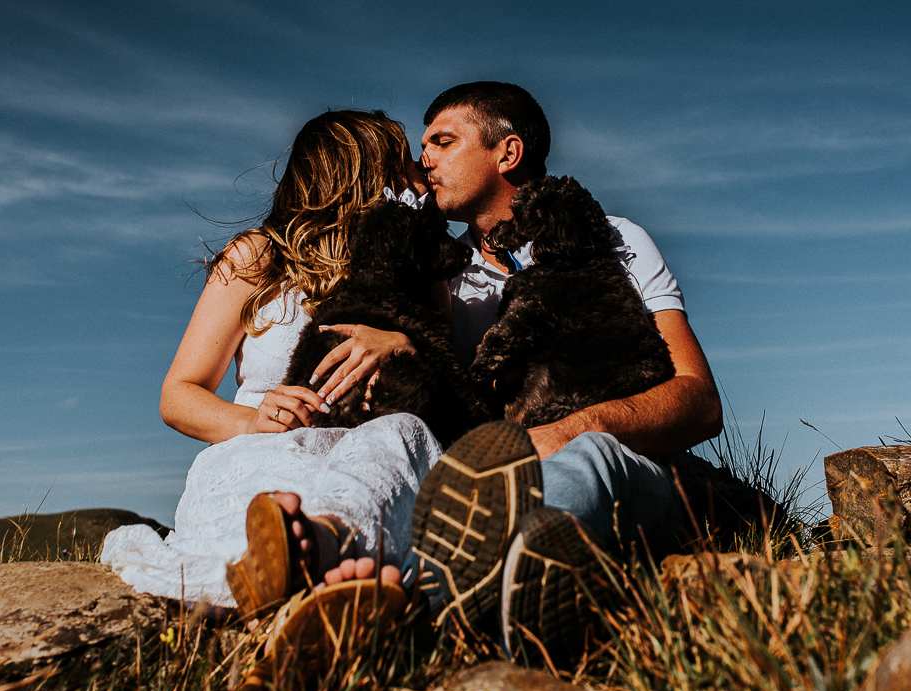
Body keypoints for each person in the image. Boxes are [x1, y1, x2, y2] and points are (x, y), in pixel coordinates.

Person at [398, 82, 723, 661]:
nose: (426, 160)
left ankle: (481, 591)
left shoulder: (614, 239)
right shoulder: (442, 279)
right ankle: (450, 598)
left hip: (635, 476)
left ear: (508, 153)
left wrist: (572, 430)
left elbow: (699, 401)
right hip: (496, 480)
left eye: (443, 142)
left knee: (591, 455)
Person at [100, 110, 441, 610]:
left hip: (369, 444)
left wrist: (402, 344)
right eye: (401, 158)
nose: (418, 168)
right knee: (264, 504)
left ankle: (319, 554)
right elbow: (179, 393)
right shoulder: (257, 258)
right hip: (266, 447)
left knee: (396, 437)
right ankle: (310, 569)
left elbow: (450, 370)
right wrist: (253, 419)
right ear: (362, 170)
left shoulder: (418, 261)